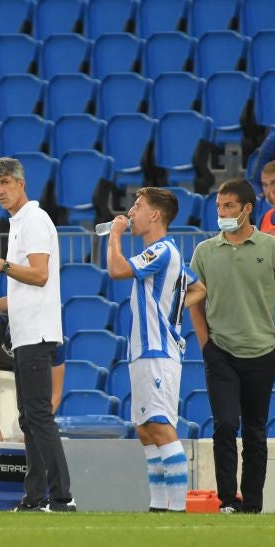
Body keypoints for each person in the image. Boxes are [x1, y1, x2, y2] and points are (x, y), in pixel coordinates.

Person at [190, 177, 275, 514]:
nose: (220, 212)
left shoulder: (274, 247)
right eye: (219, 206)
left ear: (247, 208)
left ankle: (252, 505)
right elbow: (195, 301)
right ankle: (226, 500)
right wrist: (206, 344)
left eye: (228, 206)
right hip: (219, 350)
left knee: (254, 431)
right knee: (223, 424)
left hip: (262, 351)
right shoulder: (204, 251)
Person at [0, 157, 74, 513]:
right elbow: (29, 283)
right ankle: (35, 497)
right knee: (30, 418)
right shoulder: (21, 221)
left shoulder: (33, 219)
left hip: (36, 331)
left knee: (38, 415)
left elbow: (40, 275)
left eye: (5, 183)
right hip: (27, 331)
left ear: (20, 182)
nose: (0, 191)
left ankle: (62, 497)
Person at [107, 187, 207, 512]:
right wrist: (175, 309)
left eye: (137, 206)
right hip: (143, 351)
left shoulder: (161, 250)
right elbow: (198, 287)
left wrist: (114, 235)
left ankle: (177, 510)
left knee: (161, 427)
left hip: (157, 351)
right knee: (146, 431)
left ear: (155, 214)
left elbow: (117, 270)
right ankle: (158, 507)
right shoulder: (166, 255)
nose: (131, 212)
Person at [0, 297, 66, 443]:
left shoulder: (54, 337)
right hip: (0, 358)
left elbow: (55, 393)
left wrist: (37, 428)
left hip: (31, 363)